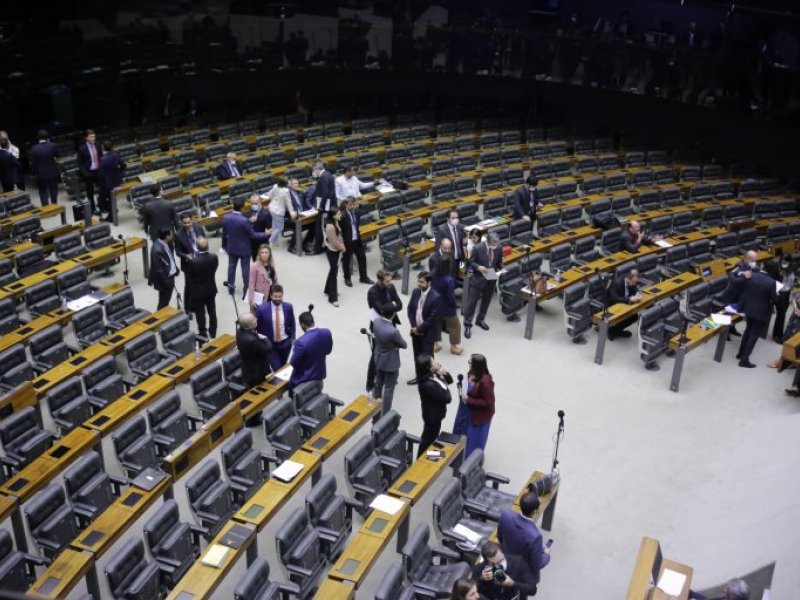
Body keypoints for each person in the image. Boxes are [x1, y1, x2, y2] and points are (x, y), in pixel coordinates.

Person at [497, 492, 551, 590]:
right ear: (535, 511)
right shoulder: (535, 537)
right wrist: (547, 555)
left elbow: (499, 537)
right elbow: (538, 564)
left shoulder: (506, 514)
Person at [731, 263, 777, 368]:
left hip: (749, 308)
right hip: (760, 312)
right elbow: (774, 299)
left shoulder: (752, 275)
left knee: (747, 331)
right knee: (754, 335)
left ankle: (740, 353)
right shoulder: (771, 282)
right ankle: (744, 359)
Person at [366, 270, 403, 393]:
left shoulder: (391, 288)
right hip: (378, 325)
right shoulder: (373, 292)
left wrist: (390, 309)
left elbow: (400, 304)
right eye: (387, 281)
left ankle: (387, 377)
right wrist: (391, 308)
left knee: (391, 351)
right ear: (379, 280)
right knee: (376, 354)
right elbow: (380, 310)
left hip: (390, 322)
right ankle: (370, 382)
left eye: (390, 280)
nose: (390, 283)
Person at [221, 196, 266, 296]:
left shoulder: (225, 217)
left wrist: (224, 245)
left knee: (231, 268)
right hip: (244, 249)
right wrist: (265, 234)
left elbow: (224, 234)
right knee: (245, 269)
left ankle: (230, 289)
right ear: (242, 207)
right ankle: (247, 289)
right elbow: (253, 234)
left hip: (231, 247)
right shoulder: (244, 220)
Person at [463, 231, 503, 339]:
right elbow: (470, 262)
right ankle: (467, 324)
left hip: (491, 276)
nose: (495, 246)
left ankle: (480, 320)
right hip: (478, 277)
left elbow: (498, 261)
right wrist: (478, 267)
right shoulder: (477, 248)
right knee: (471, 303)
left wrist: (501, 269)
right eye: (493, 244)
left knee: (486, 300)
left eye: (497, 244)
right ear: (488, 242)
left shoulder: (499, 247)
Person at [407, 271, 441, 385]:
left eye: (421, 282)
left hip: (427, 334)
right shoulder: (416, 292)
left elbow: (431, 319)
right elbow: (410, 310)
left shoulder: (435, 297)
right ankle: (419, 376)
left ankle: (428, 378)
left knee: (427, 357)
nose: (418, 284)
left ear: (429, 283)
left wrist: (419, 329)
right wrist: (413, 327)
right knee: (417, 356)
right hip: (415, 331)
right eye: (418, 281)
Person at [372, 303, 407, 414]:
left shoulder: (376, 322)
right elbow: (404, 344)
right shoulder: (393, 331)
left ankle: (374, 401)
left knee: (379, 380)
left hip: (378, 356)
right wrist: (395, 345)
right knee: (389, 387)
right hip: (390, 362)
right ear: (393, 315)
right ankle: (385, 412)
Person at [473, 541, 539, 600]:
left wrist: (513, 583)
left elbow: (532, 590)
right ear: (486, 561)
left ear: (502, 552)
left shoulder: (518, 562)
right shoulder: (479, 569)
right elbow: (474, 593)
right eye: (493, 564)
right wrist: (481, 579)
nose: (498, 565)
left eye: (501, 560)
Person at [416, 354, 453, 456]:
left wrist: (441, 372)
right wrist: (444, 385)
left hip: (436, 413)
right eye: (433, 362)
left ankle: (430, 456)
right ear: (428, 367)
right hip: (432, 416)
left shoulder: (432, 374)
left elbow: (450, 380)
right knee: (428, 438)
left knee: (432, 436)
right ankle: (421, 460)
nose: (436, 363)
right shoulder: (427, 385)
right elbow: (447, 398)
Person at [460, 353, 495, 457]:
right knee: (465, 435)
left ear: (476, 365)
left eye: (470, 362)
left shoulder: (486, 382)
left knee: (474, 440)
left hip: (480, 416)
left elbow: (489, 402)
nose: (468, 363)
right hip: (470, 411)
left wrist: (469, 399)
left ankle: (471, 462)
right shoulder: (472, 373)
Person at [289, 308, 333, 389]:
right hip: (319, 376)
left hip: (303, 380)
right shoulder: (327, 332)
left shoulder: (300, 342)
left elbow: (294, 363)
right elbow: (328, 351)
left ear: (302, 324)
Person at [184, 236, 218, 339]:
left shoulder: (193, 262)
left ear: (197, 247)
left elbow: (190, 276)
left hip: (198, 291)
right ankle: (213, 332)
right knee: (212, 311)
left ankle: (202, 332)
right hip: (211, 288)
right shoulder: (214, 257)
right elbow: (215, 268)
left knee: (200, 313)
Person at [255, 284, 296, 371]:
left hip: (285, 343)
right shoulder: (261, 310)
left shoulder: (288, 307)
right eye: (275, 296)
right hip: (270, 345)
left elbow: (292, 322)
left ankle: (281, 384)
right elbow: (255, 326)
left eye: (280, 296)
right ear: (270, 295)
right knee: (277, 368)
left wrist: (292, 338)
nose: (278, 299)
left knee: (283, 366)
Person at [174, 213, 206, 311]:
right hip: (188, 264)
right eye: (185, 223)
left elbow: (205, 242)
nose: (187, 225)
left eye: (189, 222)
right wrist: (186, 256)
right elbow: (178, 252)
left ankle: (200, 303)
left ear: (191, 220)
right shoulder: (178, 235)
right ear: (181, 223)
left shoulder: (199, 228)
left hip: (200, 261)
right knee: (189, 286)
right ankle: (187, 307)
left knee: (201, 284)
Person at [433, 255, 463, 355]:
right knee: (455, 326)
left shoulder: (433, 273)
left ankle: (436, 343)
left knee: (437, 323)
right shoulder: (448, 280)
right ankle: (453, 347)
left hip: (435, 304)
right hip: (447, 307)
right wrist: (454, 305)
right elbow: (451, 296)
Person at [341, 196, 373, 287]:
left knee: (362, 257)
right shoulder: (342, 216)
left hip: (357, 239)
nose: (352, 207)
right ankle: (347, 278)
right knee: (346, 261)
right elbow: (339, 230)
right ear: (346, 204)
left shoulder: (357, 212)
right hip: (347, 241)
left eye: (354, 205)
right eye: (350, 205)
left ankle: (363, 277)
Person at [236, 313, 272, 388]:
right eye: (253, 320)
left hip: (248, 367)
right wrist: (265, 338)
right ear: (249, 326)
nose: (256, 319)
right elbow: (267, 348)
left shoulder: (240, 331)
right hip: (256, 372)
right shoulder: (251, 340)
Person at [607, 268, 643, 339]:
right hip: (612, 305)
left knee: (634, 316)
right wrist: (630, 299)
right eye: (633, 282)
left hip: (623, 303)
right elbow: (615, 298)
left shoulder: (631, 280)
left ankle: (616, 331)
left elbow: (634, 287)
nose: (634, 284)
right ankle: (612, 331)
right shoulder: (616, 283)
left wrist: (637, 293)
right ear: (628, 279)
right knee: (629, 315)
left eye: (635, 282)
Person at [148, 228, 180, 309]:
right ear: (167, 236)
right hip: (165, 280)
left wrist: (175, 269)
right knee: (163, 302)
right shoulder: (157, 250)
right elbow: (158, 270)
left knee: (165, 299)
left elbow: (169, 258)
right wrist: (167, 283)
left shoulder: (163, 243)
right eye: (171, 234)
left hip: (169, 275)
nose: (172, 235)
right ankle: (160, 318)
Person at [311, 161, 336, 254]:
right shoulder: (328, 174)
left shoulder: (323, 177)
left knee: (320, 228)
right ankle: (324, 246)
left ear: (317, 169)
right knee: (324, 227)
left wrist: (321, 206)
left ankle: (317, 249)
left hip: (325, 207)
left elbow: (325, 192)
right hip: (329, 205)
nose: (313, 172)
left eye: (313, 170)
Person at [323, 203, 346, 306]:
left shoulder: (335, 222)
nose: (340, 215)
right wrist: (342, 248)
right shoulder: (330, 227)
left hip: (335, 249)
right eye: (338, 214)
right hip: (333, 251)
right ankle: (333, 298)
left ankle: (328, 289)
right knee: (334, 274)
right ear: (333, 215)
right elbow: (334, 241)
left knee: (333, 271)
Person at [29, 129, 60, 205]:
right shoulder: (53, 146)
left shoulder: (34, 148)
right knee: (53, 189)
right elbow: (58, 156)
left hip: (40, 173)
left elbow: (33, 163)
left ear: (38, 137)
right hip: (52, 171)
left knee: (42, 190)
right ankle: (54, 205)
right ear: (47, 137)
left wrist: (33, 173)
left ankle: (46, 206)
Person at [97, 142, 126, 221]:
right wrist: (120, 173)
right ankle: (112, 211)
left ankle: (111, 214)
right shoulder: (116, 155)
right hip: (117, 181)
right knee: (110, 198)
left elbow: (101, 174)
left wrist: (101, 182)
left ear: (104, 148)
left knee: (101, 199)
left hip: (107, 183)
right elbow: (123, 165)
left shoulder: (103, 159)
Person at [77, 129, 103, 214]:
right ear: (86, 138)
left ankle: (101, 205)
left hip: (98, 171)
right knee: (90, 192)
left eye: (94, 136)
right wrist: (85, 173)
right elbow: (79, 163)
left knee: (102, 189)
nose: (93, 138)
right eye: (91, 137)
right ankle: (93, 209)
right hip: (89, 172)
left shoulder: (98, 145)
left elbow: (101, 158)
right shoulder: (82, 148)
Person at [264, 179, 295, 247]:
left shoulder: (275, 186)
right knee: (280, 227)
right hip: (279, 211)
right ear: (285, 184)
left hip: (272, 208)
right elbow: (288, 202)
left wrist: (266, 194)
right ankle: (270, 240)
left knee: (274, 226)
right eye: (288, 183)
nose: (289, 184)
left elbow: (270, 194)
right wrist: (292, 212)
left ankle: (274, 242)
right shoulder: (286, 191)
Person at [287, 177, 314, 254]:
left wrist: (310, 210)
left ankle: (305, 244)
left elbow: (304, 204)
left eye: (297, 183)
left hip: (302, 215)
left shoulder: (300, 193)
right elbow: (286, 208)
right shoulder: (287, 195)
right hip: (291, 217)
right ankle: (291, 247)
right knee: (298, 225)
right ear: (290, 185)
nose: (297, 185)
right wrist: (293, 212)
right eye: (295, 183)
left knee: (314, 224)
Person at [248, 243, 277, 311]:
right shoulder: (255, 266)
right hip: (260, 297)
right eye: (262, 252)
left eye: (266, 252)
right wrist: (252, 299)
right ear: (259, 254)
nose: (264, 254)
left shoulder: (271, 265)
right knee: (258, 317)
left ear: (269, 254)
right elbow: (251, 284)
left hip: (271, 294)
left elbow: (274, 280)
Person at [248, 193, 273, 260]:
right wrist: (249, 221)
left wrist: (257, 235)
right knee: (254, 259)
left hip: (263, 243)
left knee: (264, 262)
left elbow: (268, 233)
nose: (254, 205)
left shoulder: (266, 214)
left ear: (260, 202)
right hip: (252, 243)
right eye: (252, 204)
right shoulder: (249, 212)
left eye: (255, 203)